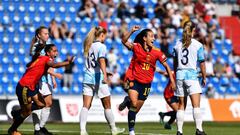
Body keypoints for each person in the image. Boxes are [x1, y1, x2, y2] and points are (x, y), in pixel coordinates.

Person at [8, 44, 75, 135]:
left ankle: (17, 112)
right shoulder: (47, 59)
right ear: (48, 53)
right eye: (54, 51)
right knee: (26, 112)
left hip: (31, 87)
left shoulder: (41, 58)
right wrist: (68, 62)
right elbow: (54, 65)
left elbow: (32, 66)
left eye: (57, 51)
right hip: (25, 87)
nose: (56, 52)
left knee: (42, 104)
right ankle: (12, 130)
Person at [121, 25, 175, 135]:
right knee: (134, 104)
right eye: (151, 36)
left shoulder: (157, 52)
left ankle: (127, 100)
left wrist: (172, 81)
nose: (154, 39)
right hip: (134, 81)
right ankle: (131, 132)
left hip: (146, 85)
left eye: (154, 37)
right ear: (144, 38)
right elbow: (123, 40)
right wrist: (131, 31)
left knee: (134, 110)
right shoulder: (137, 47)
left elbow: (167, 67)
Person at [79, 26, 125, 135]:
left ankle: (82, 130)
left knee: (86, 105)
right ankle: (113, 129)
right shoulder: (101, 46)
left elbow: (95, 63)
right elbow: (102, 61)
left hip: (87, 77)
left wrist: (104, 71)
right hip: (98, 78)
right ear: (102, 35)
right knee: (107, 105)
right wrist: (105, 74)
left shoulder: (88, 45)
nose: (106, 38)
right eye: (105, 36)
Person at [173, 21, 207, 135]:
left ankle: (179, 131)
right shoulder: (198, 45)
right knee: (196, 105)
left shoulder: (177, 44)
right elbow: (202, 63)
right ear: (193, 31)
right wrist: (204, 76)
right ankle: (199, 129)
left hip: (179, 76)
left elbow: (175, 63)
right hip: (192, 76)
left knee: (181, 105)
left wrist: (176, 75)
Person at [29, 26, 61, 135]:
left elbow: (50, 63)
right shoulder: (36, 48)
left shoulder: (48, 47)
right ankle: (38, 129)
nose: (47, 35)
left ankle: (40, 128)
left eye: (48, 33)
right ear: (39, 35)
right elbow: (39, 66)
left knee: (48, 103)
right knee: (38, 105)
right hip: (37, 79)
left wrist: (53, 79)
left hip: (46, 80)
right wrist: (54, 74)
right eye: (45, 34)